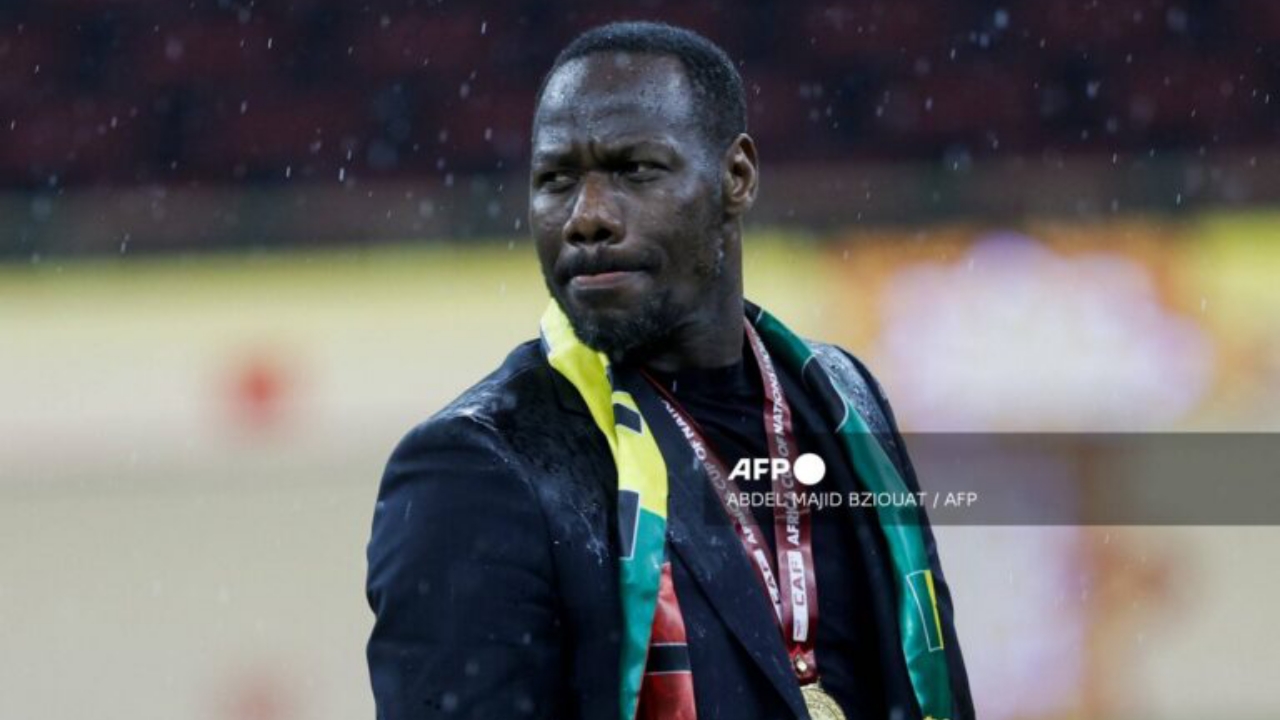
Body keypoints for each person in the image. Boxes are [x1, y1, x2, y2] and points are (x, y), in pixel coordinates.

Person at [366, 21, 974, 720]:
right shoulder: (477, 465)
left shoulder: (845, 400)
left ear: (736, 178)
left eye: (634, 171)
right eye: (556, 180)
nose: (586, 218)